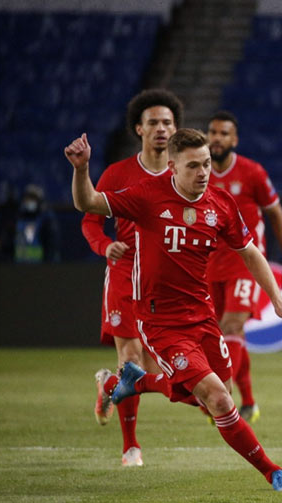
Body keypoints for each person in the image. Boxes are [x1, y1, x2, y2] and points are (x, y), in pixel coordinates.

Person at [65, 128, 282, 491]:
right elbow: (89, 204)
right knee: (219, 398)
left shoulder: (220, 203)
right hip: (160, 320)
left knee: (214, 402)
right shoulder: (147, 197)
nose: (203, 173)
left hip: (202, 317)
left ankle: (132, 382)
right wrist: (82, 169)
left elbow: (249, 252)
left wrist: (277, 298)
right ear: (173, 166)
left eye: (207, 164)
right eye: (194, 166)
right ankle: (274, 473)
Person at [81, 89, 183, 466]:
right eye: (154, 122)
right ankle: (131, 447)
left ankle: (109, 385)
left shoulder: (182, 174)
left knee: (162, 373)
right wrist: (105, 246)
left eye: (168, 123)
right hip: (125, 273)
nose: (161, 128)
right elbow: (91, 220)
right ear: (138, 128)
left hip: (165, 279)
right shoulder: (118, 173)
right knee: (131, 356)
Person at [205, 111, 282, 423]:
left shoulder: (252, 173)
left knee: (232, 325)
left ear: (234, 140)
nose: (216, 138)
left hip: (245, 262)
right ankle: (248, 400)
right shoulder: (197, 171)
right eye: (213, 132)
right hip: (207, 265)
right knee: (223, 334)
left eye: (224, 133)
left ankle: (223, 398)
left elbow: (276, 216)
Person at [13, 184, 60, 263]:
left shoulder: (46, 220)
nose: (29, 201)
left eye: (33, 198)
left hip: (39, 268)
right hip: (19, 267)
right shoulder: (18, 219)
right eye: (28, 198)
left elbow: (51, 247)